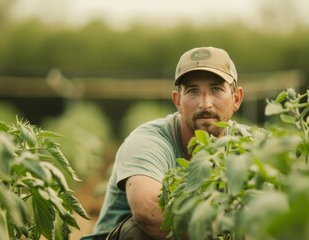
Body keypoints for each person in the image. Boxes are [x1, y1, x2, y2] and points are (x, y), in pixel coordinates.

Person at [81, 46, 244, 240]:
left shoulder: (249, 144)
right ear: (178, 101)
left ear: (236, 99)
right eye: (192, 91)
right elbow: (148, 210)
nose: (205, 103)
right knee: (138, 231)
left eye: (216, 89)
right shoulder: (149, 140)